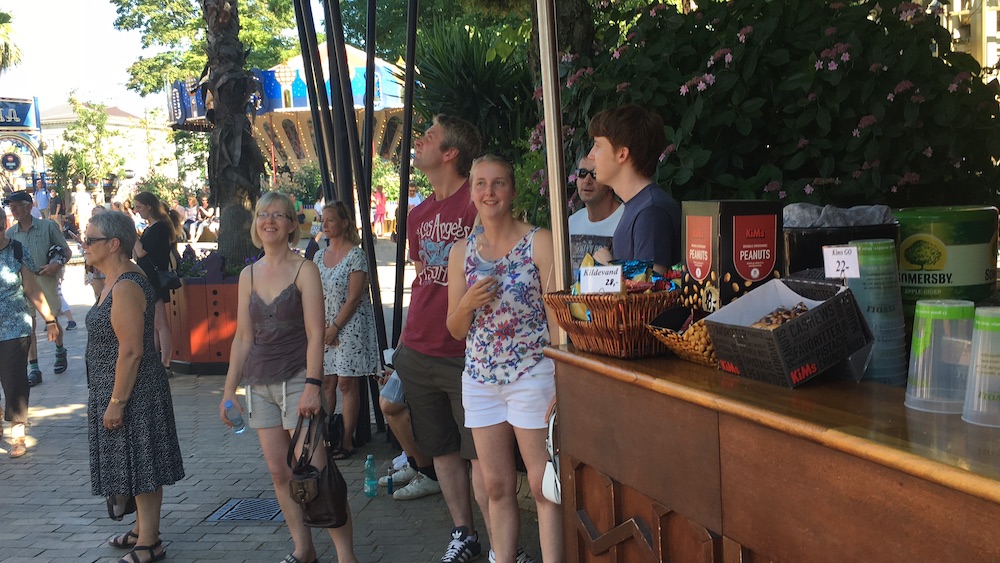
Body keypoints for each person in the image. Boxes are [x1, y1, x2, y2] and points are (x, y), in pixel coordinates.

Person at [220, 192, 357, 563]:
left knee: (314, 472)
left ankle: (346, 555)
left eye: (278, 215)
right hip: (260, 385)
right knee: (280, 472)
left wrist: (314, 386)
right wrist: (229, 389)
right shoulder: (248, 274)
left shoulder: (304, 269)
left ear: (292, 225)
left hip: (300, 380)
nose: (269, 221)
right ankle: (304, 550)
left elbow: (316, 334)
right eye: (263, 214)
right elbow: (243, 337)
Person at [446, 155, 560, 563]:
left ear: (512, 189)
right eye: (480, 184)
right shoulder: (460, 252)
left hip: (532, 373)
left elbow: (557, 320)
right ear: (471, 191)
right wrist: (469, 302)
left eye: (497, 183)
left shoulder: (539, 241)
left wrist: (563, 381)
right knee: (495, 486)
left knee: (543, 483)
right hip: (479, 379)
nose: (489, 192)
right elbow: (455, 328)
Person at [396, 114, 488, 562]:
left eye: (428, 137)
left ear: (450, 154)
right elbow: (424, 277)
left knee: (482, 457)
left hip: (465, 351)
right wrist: (403, 343)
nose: (418, 142)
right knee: (442, 450)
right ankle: (463, 534)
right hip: (418, 347)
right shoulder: (418, 214)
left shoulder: (477, 203)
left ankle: (505, 545)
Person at [83, 211, 185, 563]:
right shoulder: (116, 278)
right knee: (134, 464)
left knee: (142, 466)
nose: (83, 245)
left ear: (113, 244)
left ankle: (151, 543)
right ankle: (142, 529)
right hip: (122, 389)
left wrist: (116, 401)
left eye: (89, 239)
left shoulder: (126, 285)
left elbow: (131, 350)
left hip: (132, 392)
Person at [313, 201, 379, 459]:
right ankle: (327, 437)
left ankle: (348, 440)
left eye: (330, 220)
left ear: (344, 223)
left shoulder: (355, 255)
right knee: (326, 381)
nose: (325, 224)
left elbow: (354, 297)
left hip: (350, 325)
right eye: (323, 220)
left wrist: (336, 327)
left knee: (346, 382)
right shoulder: (319, 256)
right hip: (326, 324)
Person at [588, 104, 681, 274]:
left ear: (622, 154)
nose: (591, 155)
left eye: (598, 145)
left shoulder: (651, 212)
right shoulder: (640, 206)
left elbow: (651, 291)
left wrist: (609, 269)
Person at [0, 208, 59, 458]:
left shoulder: (16, 250)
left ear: (3, 224)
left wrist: (50, 319)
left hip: (15, 327)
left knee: (14, 379)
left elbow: (32, 289)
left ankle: (17, 432)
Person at [4, 191, 71, 387]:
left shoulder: (48, 226)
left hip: (46, 278)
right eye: (11, 206)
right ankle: (34, 368)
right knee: (29, 325)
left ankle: (60, 350)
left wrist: (56, 265)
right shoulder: (10, 234)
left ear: (28, 206)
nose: (13, 210)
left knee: (53, 319)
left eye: (16, 205)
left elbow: (65, 250)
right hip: (23, 284)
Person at [131, 192, 181, 369]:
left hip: (153, 279)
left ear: (148, 206)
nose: (136, 211)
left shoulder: (158, 228)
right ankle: (155, 359)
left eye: (138, 207)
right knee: (153, 322)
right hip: (148, 278)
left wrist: (133, 235)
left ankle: (165, 361)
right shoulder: (152, 227)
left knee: (160, 322)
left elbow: (142, 252)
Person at [567, 154, 624, 272]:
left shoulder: (627, 219)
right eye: (582, 173)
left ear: (610, 182)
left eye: (595, 174)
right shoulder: (572, 222)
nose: (587, 180)